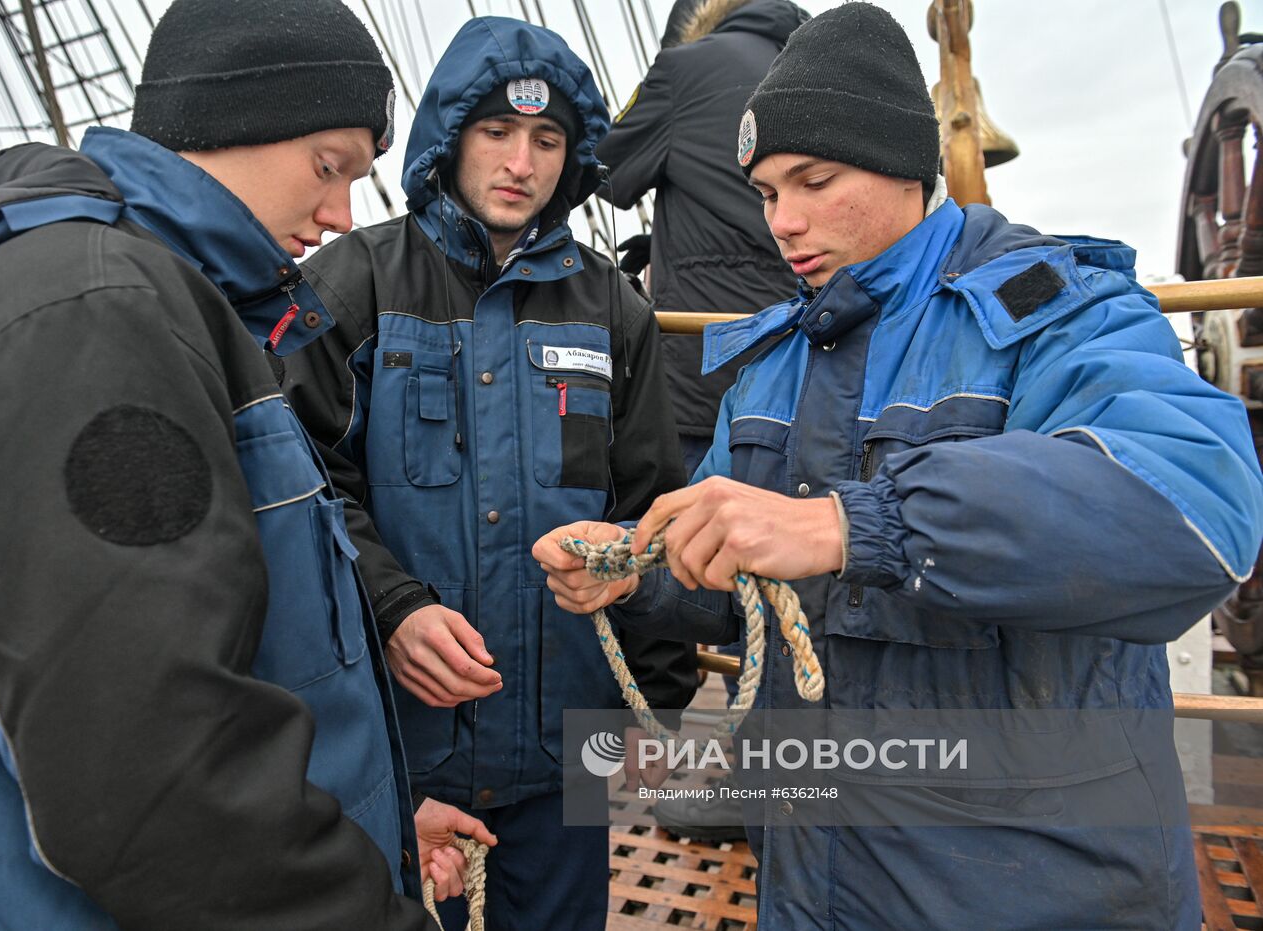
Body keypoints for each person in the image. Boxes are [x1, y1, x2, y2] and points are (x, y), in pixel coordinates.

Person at [533, 4, 1263, 929]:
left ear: (905, 165)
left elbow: (1199, 506)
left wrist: (858, 524)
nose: (783, 222)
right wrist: (635, 570)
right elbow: (737, 579)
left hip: (1030, 895)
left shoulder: (1056, 309)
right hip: (814, 882)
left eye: (815, 181)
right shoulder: (773, 362)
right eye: (765, 192)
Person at [0, 1, 493, 927]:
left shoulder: (167, 308)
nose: (340, 216)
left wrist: (381, 830)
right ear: (233, 120)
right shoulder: (90, 315)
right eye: (329, 166)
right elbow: (153, 783)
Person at [281, 16, 697, 929]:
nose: (521, 162)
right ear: (450, 137)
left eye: (547, 140)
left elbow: (650, 509)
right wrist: (393, 606)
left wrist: (660, 703)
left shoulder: (614, 308)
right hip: (400, 749)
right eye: (497, 131)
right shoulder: (354, 284)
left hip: (562, 752)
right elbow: (304, 489)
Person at [595, 0, 808, 842]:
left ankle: (727, 777)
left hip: (704, 373)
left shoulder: (687, 69)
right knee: (784, 567)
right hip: (803, 364)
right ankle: (783, 776)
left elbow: (609, 172)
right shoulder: (807, 67)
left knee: (696, 559)